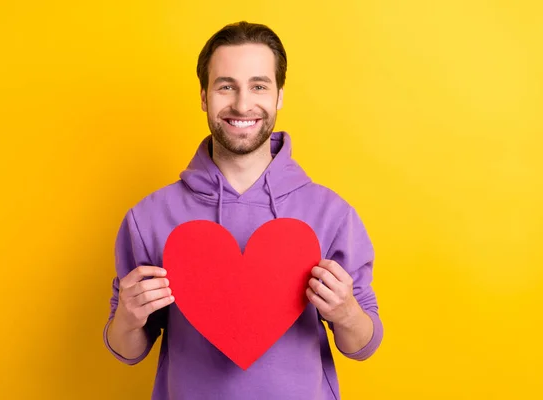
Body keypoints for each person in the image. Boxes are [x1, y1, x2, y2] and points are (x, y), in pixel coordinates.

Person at [103, 21, 383, 400]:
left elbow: (362, 345)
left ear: (280, 96)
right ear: (204, 96)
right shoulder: (149, 217)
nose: (241, 104)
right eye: (225, 86)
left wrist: (346, 312)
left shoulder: (330, 213)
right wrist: (129, 317)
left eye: (259, 86)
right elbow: (128, 349)